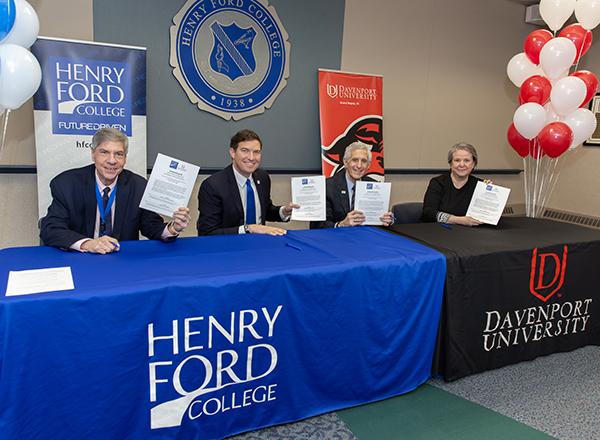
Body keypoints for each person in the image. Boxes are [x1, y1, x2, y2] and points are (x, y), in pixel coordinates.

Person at [40, 128, 191, 253]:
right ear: (93, 154)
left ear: (125, 158)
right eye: (104, 152)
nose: (112, 160)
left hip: (122, 262)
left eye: (118, 154)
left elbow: (151, 226)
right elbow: (51, 229)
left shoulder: (138, 186)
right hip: (80, 258)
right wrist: (88, 244)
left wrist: (173, 228)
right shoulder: (67, 184)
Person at [197, 129, 298, 236]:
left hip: (260, 244)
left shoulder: (262, 177)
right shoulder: (213, 185)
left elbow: (264, 210)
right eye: (245, 150)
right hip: (229, 247)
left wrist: (284, 211)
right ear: (232, 152)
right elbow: (207, 232)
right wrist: (248, 228)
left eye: (256, 152)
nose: (251, 157)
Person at [310, 142, 394, 229]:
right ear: (346, 162)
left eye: (364, 161)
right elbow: (317, 225)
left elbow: (380, 221)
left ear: (368, 166)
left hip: (366, 238)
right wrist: (341, 224)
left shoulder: (376, 186)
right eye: (355, 160)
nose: (359, 165)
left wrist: (388, 219)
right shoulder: (327, 187)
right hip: (337, 239)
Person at [421, 142, 485, 226]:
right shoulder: (438, 182)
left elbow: (485, 215)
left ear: (473, 164)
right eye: (457, 160)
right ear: (450, 163)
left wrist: (490, 193)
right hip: (438, 231)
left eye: (467, 160)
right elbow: (428, 213)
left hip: (469, 234)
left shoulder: (480, 185)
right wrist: (459, 220)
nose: (462, 164)